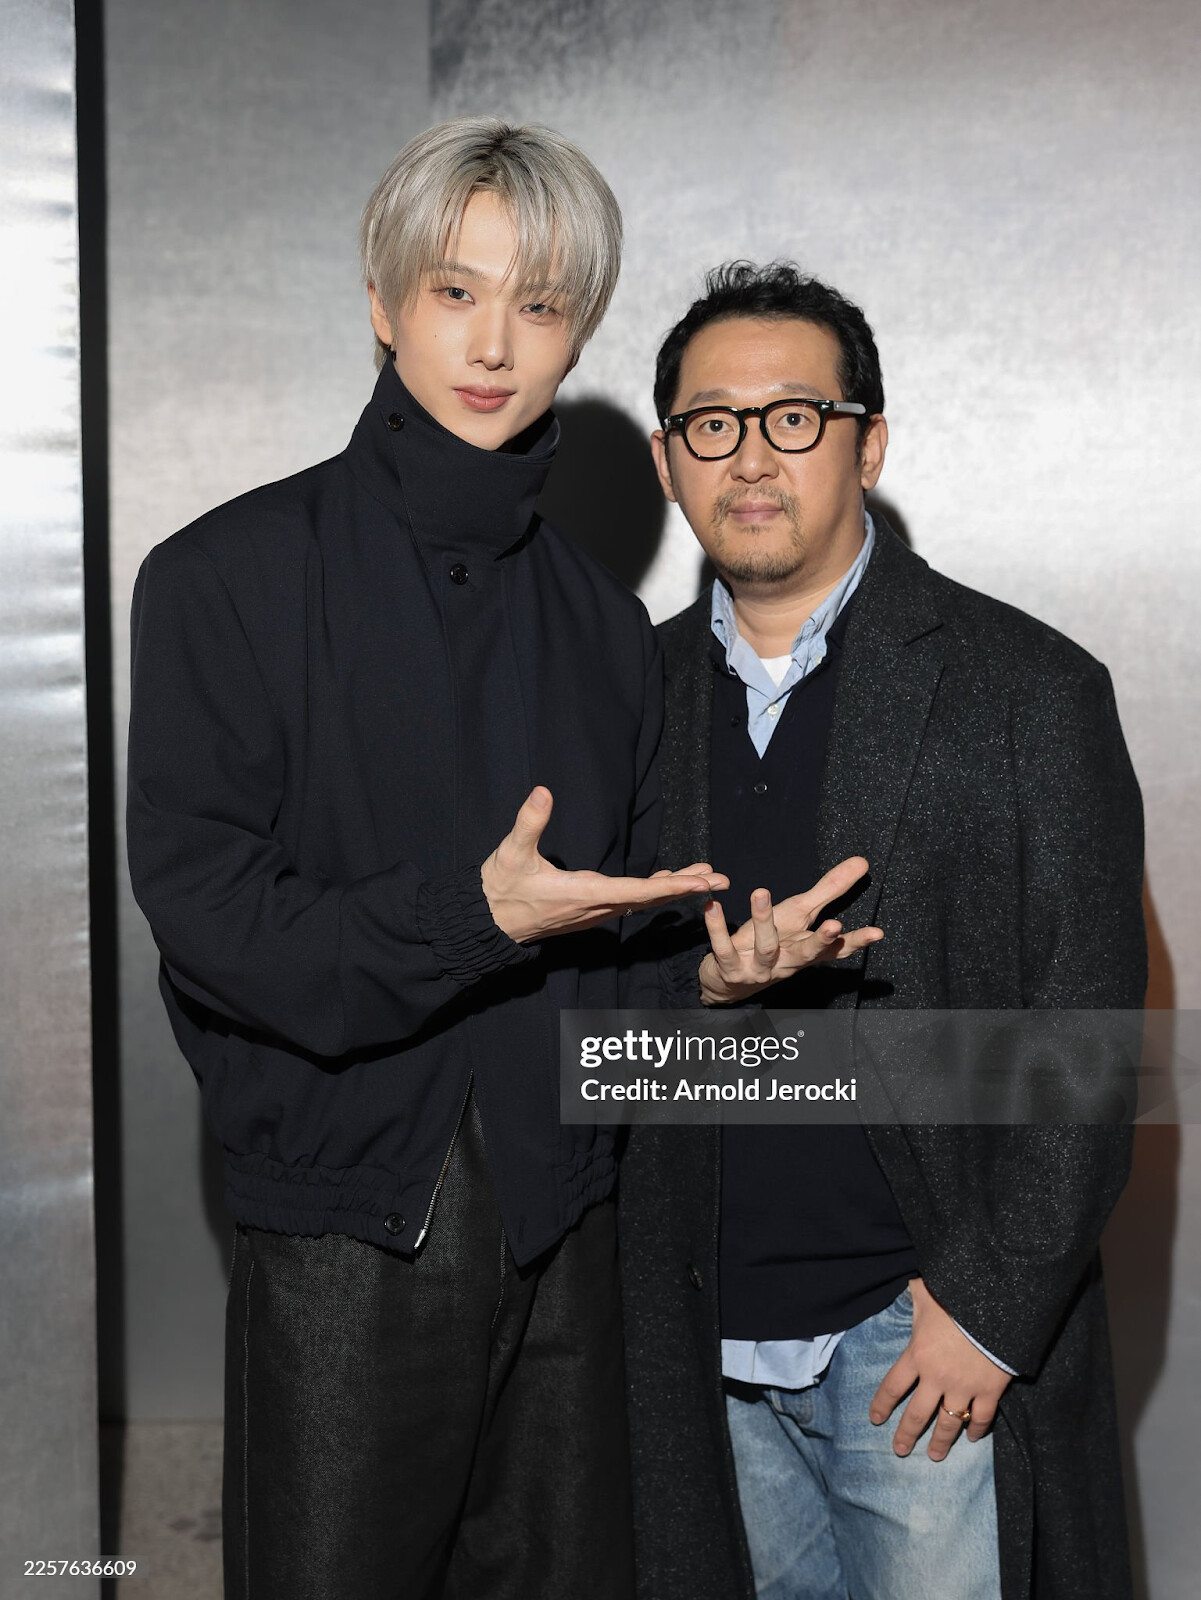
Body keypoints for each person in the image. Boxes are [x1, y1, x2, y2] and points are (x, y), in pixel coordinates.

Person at [125, 117, 728, 1600]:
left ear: (578, 331)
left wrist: (715, 983)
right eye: (456, 291)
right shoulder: (222, 577)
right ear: (383, 301)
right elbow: (212, 917)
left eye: (540, 304)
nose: (494, 344)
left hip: (568, 1227)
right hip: (346, 1226)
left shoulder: (605, 630)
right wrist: (468, 918)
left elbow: (619, 958)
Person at [618, 262, 1146, 1600]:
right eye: (711, 423)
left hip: (915, 1348)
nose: (751, 456)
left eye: (794, 416)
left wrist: (989, 1310)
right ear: (669, 460)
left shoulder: (1027, 690)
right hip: (690, 1345)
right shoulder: (618, 700)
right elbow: (581, 1039)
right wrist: (703, 1002)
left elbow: (1088, 1034)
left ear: (869, 444)